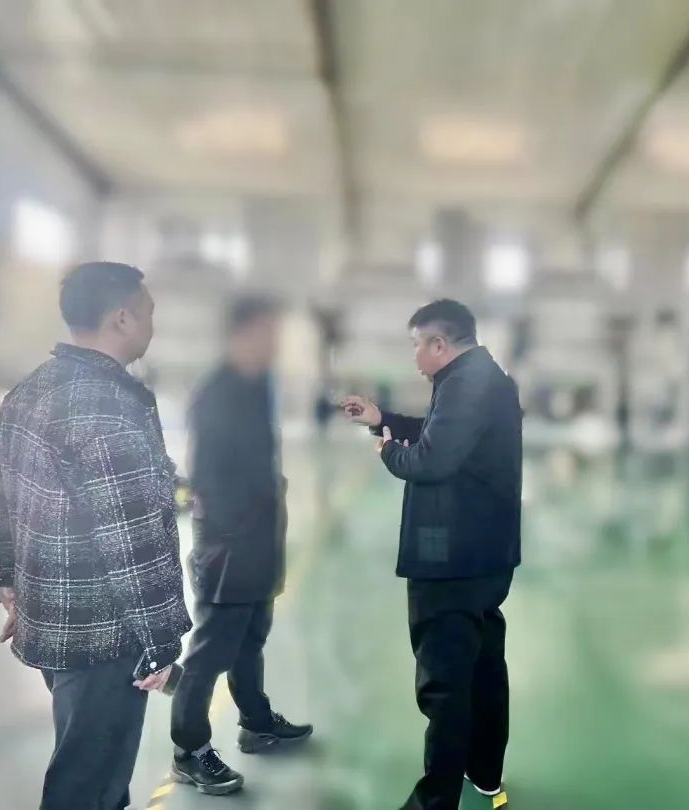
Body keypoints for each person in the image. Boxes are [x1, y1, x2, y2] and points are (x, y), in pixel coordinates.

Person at [0, 261, 192, 810]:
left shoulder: (32, 389)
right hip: (104, 634)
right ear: (122, 319)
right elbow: (131, 536)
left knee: (87, 764)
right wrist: (159, 642)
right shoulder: (107, 406)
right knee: (88, 784)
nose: (152, 325)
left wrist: (8, 581)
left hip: (52, 620)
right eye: (148, 313)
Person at [342, 299, 522, 810]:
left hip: (450, 560)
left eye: (417, 345)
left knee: (444, 683)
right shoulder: (482, 379)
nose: (415, 357)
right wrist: (382, 419)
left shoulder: (466, 385)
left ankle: (434, 802)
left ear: (439, 344)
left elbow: (430, 460)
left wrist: (388, 452)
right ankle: (483, 771)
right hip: (483, 555)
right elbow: (442, 433)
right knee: (482, 668)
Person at [170, 296, 313, 796]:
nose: (276, 344)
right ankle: (189, 750)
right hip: (229, 547)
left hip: (261, 541)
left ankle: (256, 722)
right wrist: (238, 527)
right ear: (242, 333)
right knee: (211, 651)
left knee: (251, 638)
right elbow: (207, 479)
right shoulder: (216, 393)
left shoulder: (259, 386)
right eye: (269, 333)